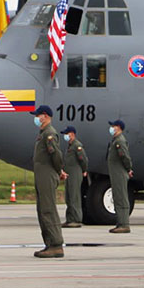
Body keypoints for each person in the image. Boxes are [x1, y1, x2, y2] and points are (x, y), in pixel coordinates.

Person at [31, 105, 66, 258]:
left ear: (45, 116)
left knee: (48, 209)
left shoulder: (50, 134)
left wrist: (59, 171)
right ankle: (49, 243)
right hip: (41, 175)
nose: (36, 118)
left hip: (47, 175)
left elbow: (56, 156)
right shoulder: (43, 133)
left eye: (38, 115)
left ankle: (56, 244)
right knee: (42, 210)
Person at [106, 119, 133, 233]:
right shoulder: (115, 141)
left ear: (119, 128)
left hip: (120, 173)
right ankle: (120, 222)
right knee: (117, 197)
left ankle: (124, 224)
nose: (112, 128)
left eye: (114, 126)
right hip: (115, 173)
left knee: (121, 197)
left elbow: (125, 157)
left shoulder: (120, 141)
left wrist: (128, 169)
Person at [61, 126, 88, 228]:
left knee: (74, 196)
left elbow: (83, 159)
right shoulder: (70, 146)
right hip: (68, 174)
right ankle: (70, 219)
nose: (65, 136)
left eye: (66, 134)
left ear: (72, 134)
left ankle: (76, 219)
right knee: (69, 197)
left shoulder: (77, 146)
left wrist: (84, 170)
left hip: (75, 173)